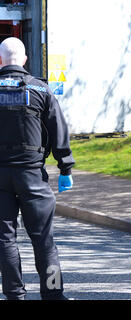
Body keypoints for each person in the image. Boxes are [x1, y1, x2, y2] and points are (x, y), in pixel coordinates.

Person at [0, 37, 74, 300]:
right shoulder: (40, 90)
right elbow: (58, 131)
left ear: (0, 61)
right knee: (44, 240)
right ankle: (53, 295)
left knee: (5, 241)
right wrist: (65, 167)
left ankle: (14, 295)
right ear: (24, 60)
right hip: (32, 175)